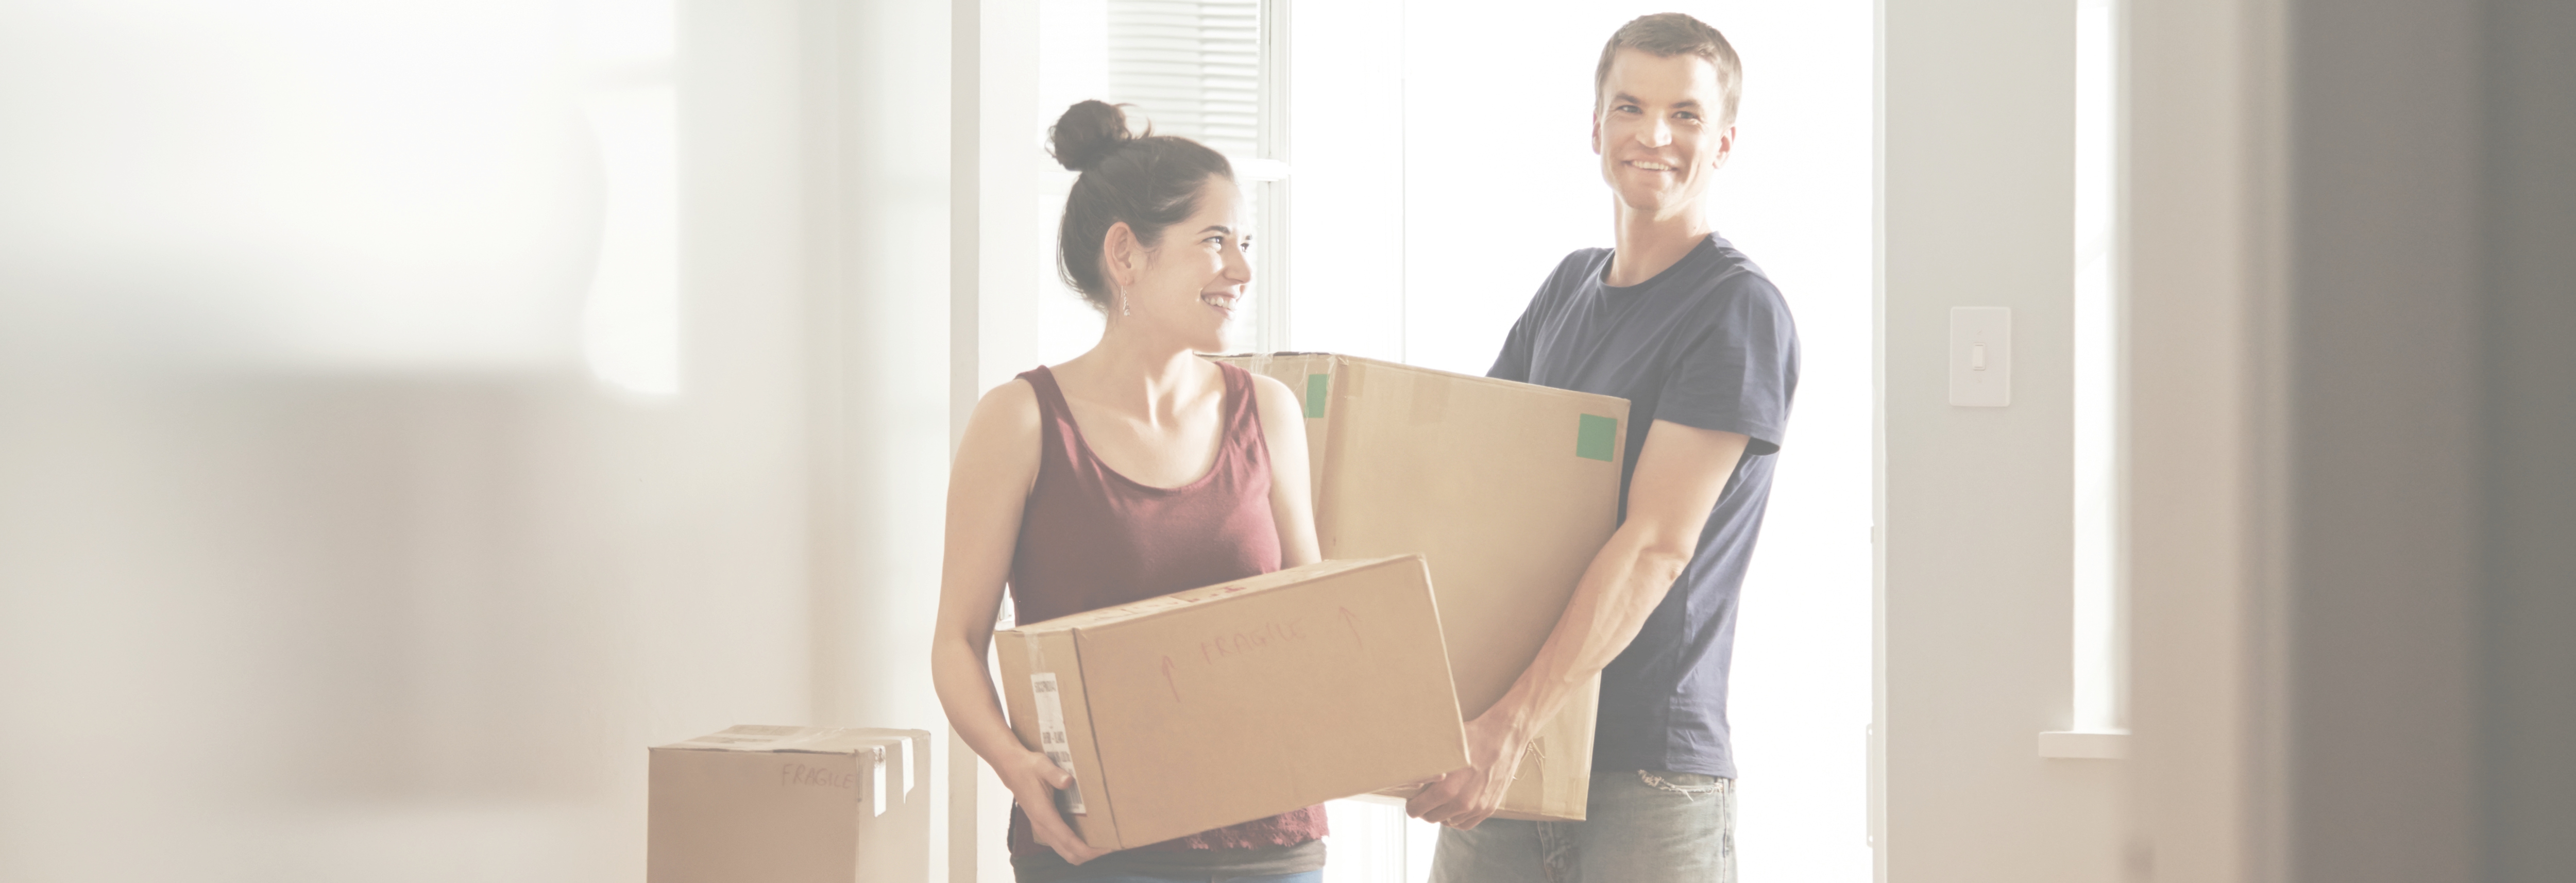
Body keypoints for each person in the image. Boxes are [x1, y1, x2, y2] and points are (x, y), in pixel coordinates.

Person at [1405, 13, 1801, 883]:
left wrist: (1509, 725)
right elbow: (1475, 493)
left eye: (1686, 116)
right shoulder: (1566, 291)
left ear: (1725, 142)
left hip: (1643, 772)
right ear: (1596, 128)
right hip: (1498, 754)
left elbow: (1658, 545)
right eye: (1631, 107)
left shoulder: (1734, 310)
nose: (1654, 136)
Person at [930, 100, 1328, 883]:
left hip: (1268, 846)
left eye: (1245, 243)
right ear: (1126, 254)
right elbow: (955, 642)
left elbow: (1311, 621)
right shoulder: (1020, 422)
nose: (1242, 271)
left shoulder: (1270, 412)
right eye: (1215, 241)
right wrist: (1014, 765)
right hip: (1090, 845)